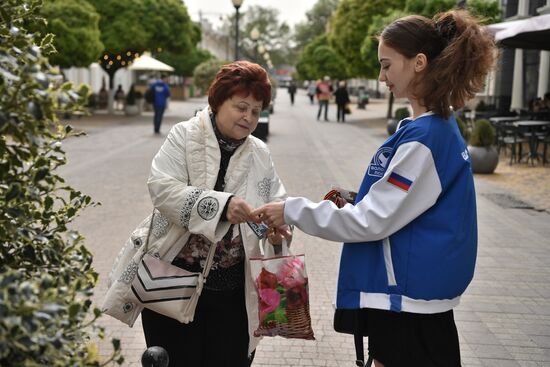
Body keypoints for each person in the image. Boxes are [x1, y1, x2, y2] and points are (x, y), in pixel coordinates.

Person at [251, 9, 495, 367]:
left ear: (419, 63)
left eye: (386, 65)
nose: (381, 77)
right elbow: (401, 204)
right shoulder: (433, 128)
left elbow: (370, 221)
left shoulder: (425, 138)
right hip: (414, 296)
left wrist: (291, 209)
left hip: (407, 301)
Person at [133, 61, 290, 367]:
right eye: (241, 106)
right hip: (173, 283)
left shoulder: (260, 152)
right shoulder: (184, 135)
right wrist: (221, 205)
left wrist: (272, 228)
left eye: (256, 111)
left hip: (232, 292)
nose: (248, 117)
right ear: (218, 102)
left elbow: (270, 204)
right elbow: (162, 188)